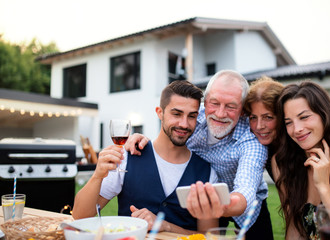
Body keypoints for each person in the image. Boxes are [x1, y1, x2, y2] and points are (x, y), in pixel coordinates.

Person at [126, 70, 273, 240]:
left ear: (243, 110)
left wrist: (214, 203)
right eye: (214, 103)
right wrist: (144, 141)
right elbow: (170, 133)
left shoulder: (251, 140)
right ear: (205, 102)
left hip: (243, 206)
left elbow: (245, 191)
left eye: (231, 106)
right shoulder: (193, 117)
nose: (220, 113)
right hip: (203, 196)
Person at [72, 80, 219, 234]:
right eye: (176, 114)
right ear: (159, 112)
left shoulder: (207, 173)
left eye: (192, 116)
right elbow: (80, 216)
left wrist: (166, 226)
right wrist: (97, 175)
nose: (184, 123)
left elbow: (211, 237)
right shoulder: (127, 158)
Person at [272, 80, 330, 239]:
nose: (297, 129)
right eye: (289, 123)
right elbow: (294, 231)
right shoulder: (283, 165)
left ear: (324, 115)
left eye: (304, 117)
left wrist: (324, 187)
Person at [243, 76, 284, 180]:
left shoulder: (300, 148)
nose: (259, 126)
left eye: (268, 117)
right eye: (253, 118)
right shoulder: (265, 149)